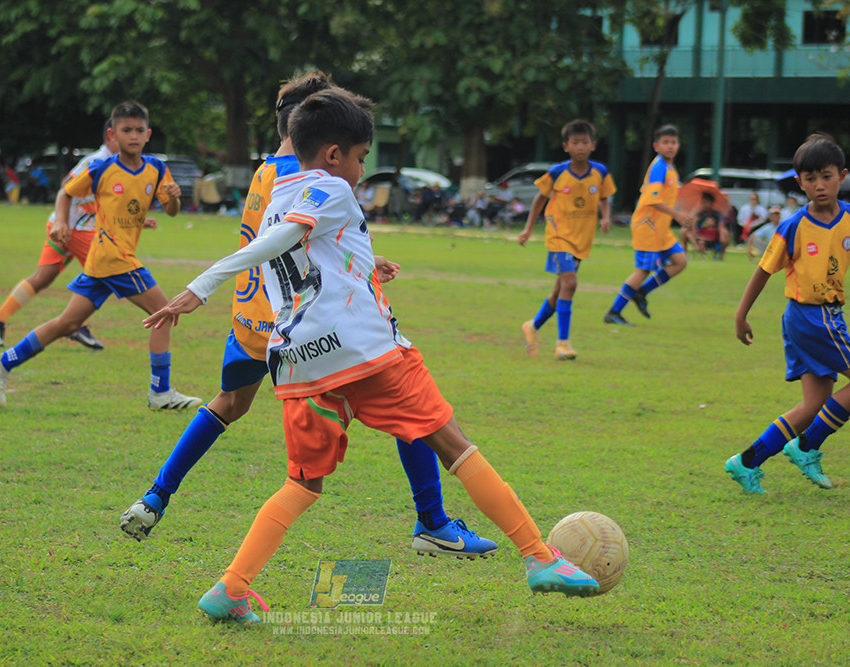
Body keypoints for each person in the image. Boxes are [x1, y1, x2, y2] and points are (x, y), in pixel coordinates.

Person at [144, 88, 600, 623]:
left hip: (298, 363)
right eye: (362, 158)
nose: (362, 170)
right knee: (453, 445)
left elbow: (300, 255)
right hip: (364, 354)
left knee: (302, 484)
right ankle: (539, 556)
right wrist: (201, 286)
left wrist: (362, 264)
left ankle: (231, 588)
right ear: (334, 154)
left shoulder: (277, 194)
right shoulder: (332, 186)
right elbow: (290, 238)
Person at [119, 73, 497, 560]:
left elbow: (281, 243)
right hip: (306, 323)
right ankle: (433, 521)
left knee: (228, 403)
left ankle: (156, 495)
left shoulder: (265, 172)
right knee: (410, 407)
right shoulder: (313, 174)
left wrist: (364, 260)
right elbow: (297, 239)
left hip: (250, 317)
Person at [0, 100, 201, 410]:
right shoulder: (101, 168)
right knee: (164, 313)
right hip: (115, 258)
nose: (133, 136)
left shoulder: (156, 169)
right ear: (113, 134)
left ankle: (3, 362)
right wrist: (61, 222)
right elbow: (66, 192)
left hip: (101, 261)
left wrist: (175, 199)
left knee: (67, 324)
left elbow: (172, 211)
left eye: (139, 130)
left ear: (148, 134)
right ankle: (160, 392)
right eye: (126, 130)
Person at [725, 134, 850, 494]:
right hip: (811, 317)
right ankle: (807, 445)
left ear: (842, 176)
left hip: (823, 316)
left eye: (826, 176)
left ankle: (746, 461)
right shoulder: (793, 225)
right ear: (799, 183)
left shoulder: (847, 218)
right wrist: (741, 314)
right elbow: (763, 270)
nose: (819, 185)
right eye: (810, 179)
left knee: (814, 403)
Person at [0, 122, 119, 350]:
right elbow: (66, 186)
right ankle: (76, 324)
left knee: (43, 277)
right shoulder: (97, 161)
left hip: (66, 226)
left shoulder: (115, 163)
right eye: (125, 134)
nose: (131, 141)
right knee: (105, 272)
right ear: (109, 138)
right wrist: (64, 222)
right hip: (73, 229)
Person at [517, 119, 616, 360]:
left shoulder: (600, 172)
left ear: (593, 145)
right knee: (570, 283)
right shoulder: (557, 172)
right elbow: (540, 199)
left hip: (582, 239)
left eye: (585, 142)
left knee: (559, 291)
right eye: (575, 142)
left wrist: (605, 217)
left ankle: (533, 326)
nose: (580, 147)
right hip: (559, 236)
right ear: (566, 146)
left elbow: (605, 197)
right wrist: (528, 228)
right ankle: (562, 344)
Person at [604, 125, 694, 326]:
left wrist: (683, 215)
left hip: (661, 228)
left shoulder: (671, 169)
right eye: (665, 142)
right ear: (656, 146)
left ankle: (642, 292)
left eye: (673, 142)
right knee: (643, 270)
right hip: (648, 226)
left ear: (679, 145)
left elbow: (668, 198)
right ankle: (613, 312)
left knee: (680, 261)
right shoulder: (659, 167)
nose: (670, 146)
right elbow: (653, 200)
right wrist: (677, 215)